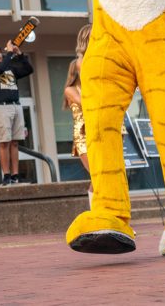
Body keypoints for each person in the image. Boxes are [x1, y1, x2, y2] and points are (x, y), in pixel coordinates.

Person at [0, 42, 34, 186]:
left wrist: (19, 54)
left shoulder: (10, 68)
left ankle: (15, 175)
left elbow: (29, 69)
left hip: (16, 106)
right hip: (1, 108)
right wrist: (9, 54)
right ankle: (6, 175)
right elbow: (0, 69)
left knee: (15, 142)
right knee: (4, 142)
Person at [64, 23, 93, 207]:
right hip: (83, 134)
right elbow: (86, 104)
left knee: (103, 177)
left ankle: (100, 211)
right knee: (97, 176)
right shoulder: (70, 90)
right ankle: (97, 211)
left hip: (96, 130)